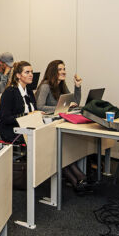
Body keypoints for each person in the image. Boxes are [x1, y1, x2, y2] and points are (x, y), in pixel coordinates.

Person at [35, 59, 89, 193]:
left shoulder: (61, 86)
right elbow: (40, 106)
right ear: (53, 71)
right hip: (46, 124)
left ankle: (79, 180)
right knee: (61, 149)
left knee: (65, 149)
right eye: (60, 69)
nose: (63, 71)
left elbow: (75, 102)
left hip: (58, 122)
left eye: (64, 69)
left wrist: (78, 86)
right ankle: (79, 179)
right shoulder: (46, 86)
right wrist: (60, 108)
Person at [0, 61, 36, 144]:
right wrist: (27, 116)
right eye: (27, 72)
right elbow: (5, 119)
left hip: (27, 127)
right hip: (11, 131)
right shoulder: (10, 92)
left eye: (31, 72)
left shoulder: (29, 91)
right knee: (41, 137)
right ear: (18, 75)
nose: (31, 75)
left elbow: (34, 111)